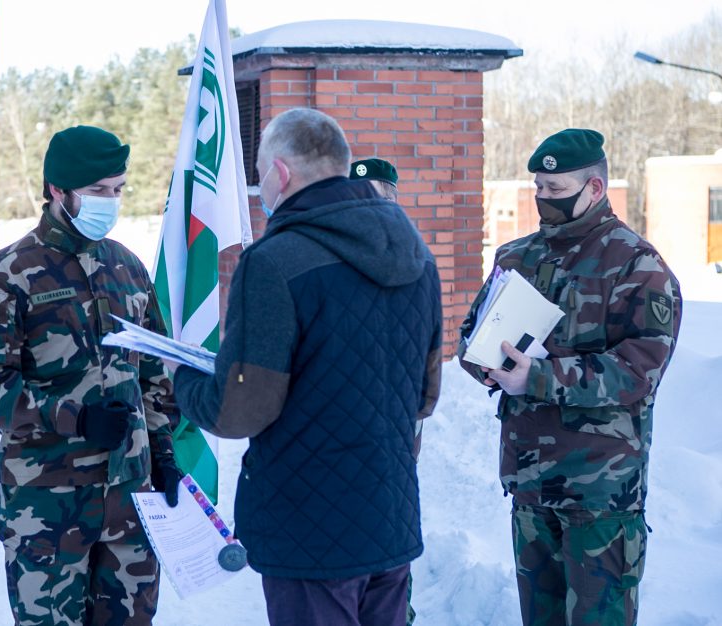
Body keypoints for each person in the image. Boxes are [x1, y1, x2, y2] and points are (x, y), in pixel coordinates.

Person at [167, 108, 443, 626]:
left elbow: (241, 411)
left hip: (309, 526)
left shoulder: (275, 262)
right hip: (390, 515)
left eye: (260, 170)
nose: (260, 183)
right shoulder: (417, 253)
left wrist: (182, 378)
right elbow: (426, 395)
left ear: (282, 173)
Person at [457, 129, 682, 625]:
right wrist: (487, 365)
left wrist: (536, 377)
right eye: (538, 187)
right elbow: (471, 338)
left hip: (599, 496)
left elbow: (639, 371)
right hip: (530, 487)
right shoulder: (516, 257)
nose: (542, 198)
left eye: (556, 190)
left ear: (595, 189)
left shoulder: (638, 266)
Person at [0, 125, 181, 625]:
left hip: (130, 500)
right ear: (58, 190)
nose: (112, 201)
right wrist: (77, 420)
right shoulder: (4, 274)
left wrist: (163, 451)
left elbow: (152, 374)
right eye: (98, 191)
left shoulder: (128, 268)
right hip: (48, 501)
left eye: (119, 190)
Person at [349, 156, 424, 626]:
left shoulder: (412, 261)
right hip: (336, 430)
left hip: (392, 429)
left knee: (388, 545)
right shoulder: (324, 257)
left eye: (379, 196)